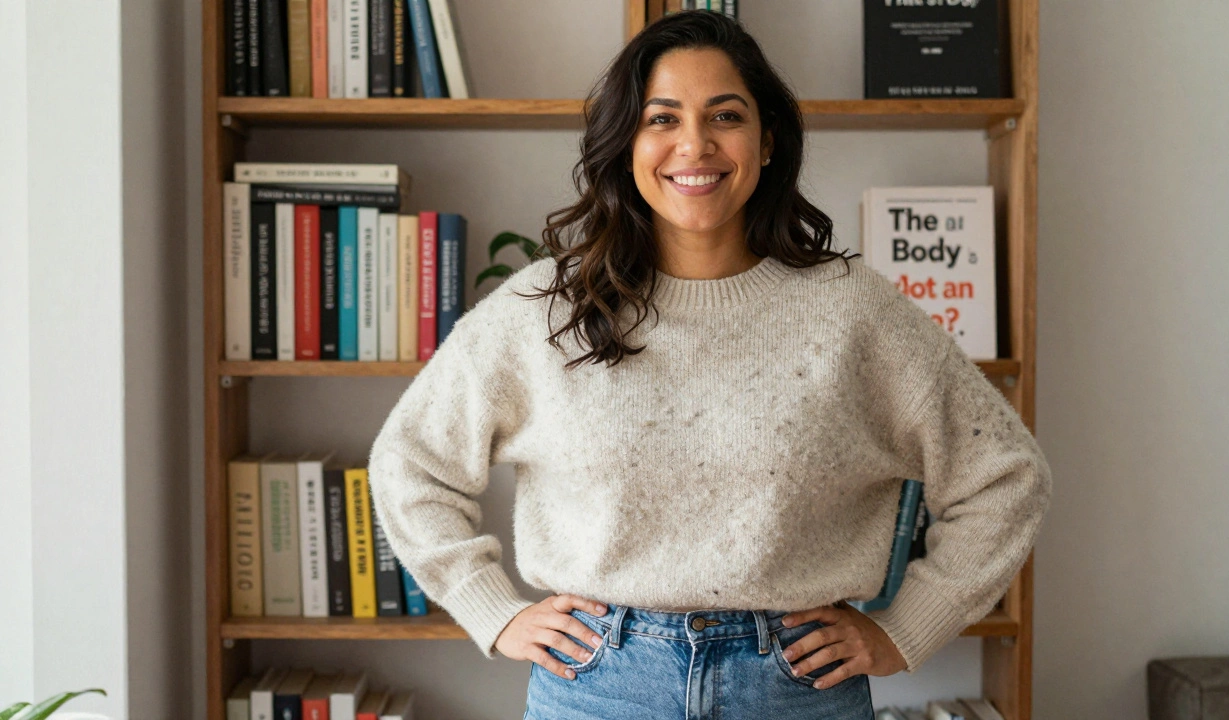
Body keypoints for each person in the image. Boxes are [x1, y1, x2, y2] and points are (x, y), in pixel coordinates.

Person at [367, 10, 1052, 720]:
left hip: (795, 689)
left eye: (725, 115)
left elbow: (1005, 476)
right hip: (598, 684)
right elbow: (411, 461)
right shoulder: (544, 310)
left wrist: (908, 629)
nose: (694, 144)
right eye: (661, 118)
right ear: (626, 143)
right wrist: (495, 612)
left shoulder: (854, 313)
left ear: (766, 142)